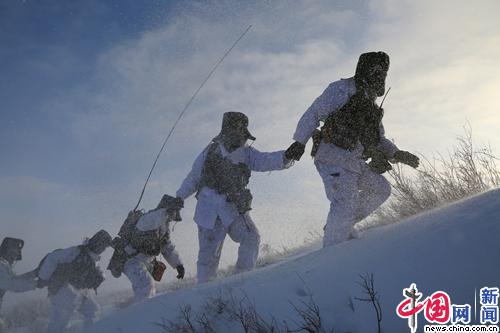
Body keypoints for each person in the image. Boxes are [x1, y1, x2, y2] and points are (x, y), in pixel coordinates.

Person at [285, 51, 420, 247]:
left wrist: (396, 153)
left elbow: (378, 138)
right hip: (332, 157)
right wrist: (299, 142)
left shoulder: (372, 105)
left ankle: (339, 224)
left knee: (380, 189)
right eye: (376, 70)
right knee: (344, 204)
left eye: (383, 72)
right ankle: (330, 256)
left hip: (354, 162)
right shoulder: (341, 89)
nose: (380, 75)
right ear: (364, 69)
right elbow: (313, 113)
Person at [176, 111, 292, 283]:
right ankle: (205, 296)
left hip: (232, 208)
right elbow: (193, 178)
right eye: (237, 129)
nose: (241, 135)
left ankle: (242, 282)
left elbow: (266, 160)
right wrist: (178, 198)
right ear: (227, 130)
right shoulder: (209, 152)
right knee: (208, 258)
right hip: (208, 210)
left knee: (251, 237)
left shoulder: (247, 153)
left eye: (242, 130)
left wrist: (287, 156)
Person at [108, 194, 185, 304]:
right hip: (131, 260)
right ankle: (141, 315)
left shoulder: (164, 227)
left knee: (148, 288)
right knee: (145, 286)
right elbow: (155, 219)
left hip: (145, 262)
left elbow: (167, 247)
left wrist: (178, 265)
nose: (174, 216)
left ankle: (145, 313)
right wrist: (168, 210)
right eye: (173, 212)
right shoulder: (147, 219)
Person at [37, 230, 112, 333]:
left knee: (92, 310)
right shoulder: (76, 252)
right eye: (103, 245)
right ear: (97, 242)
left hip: (78, 290)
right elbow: (52, 257)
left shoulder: (93, 257)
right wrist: (43, 278)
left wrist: (101, 276)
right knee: (60, 320)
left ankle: (91, 330)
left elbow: (96, 271)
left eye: (105, 247)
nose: (103, 249)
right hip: (61, 288)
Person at [0, 237, 37, 332]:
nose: (14, 259)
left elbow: (14, 280)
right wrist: (36, 284)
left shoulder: (4, 265)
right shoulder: (1, 265)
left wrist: (35, 273)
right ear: (7, 251)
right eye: (13, 255)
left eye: (16, 256)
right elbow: (11, 285)